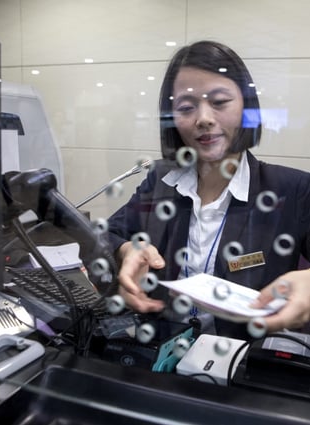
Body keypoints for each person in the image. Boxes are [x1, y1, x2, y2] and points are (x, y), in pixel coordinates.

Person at [106, 40, 310, 339]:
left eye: (219, 102)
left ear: (245, 107)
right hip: (163, 357)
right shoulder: (162, 181)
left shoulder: (293, 190)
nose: (203, 118)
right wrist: (127, 249)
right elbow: (106, 234)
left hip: (244, 367)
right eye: (187, 107)